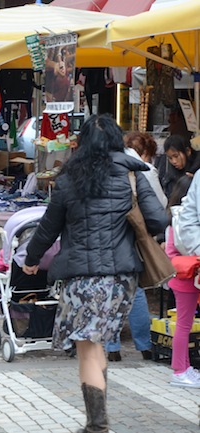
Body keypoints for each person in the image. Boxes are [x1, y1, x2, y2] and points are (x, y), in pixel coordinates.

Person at [22, 114, 167, 433]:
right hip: (121, 276)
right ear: (117, 141)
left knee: (89, 345)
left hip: (82, 277)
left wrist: (31, 258)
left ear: (82, 143)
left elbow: (48, 228)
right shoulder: (133, 175)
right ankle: (97, 421)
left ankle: (97, 425)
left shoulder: (69, 177)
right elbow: (158, 221)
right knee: (97, 341)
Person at [106, 131, 168, 362]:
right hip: (129, 234)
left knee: (109, 293)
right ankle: (144, 346)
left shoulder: (93, 169)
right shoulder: (137, 170)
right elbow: (157, 209)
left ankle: (112, 347)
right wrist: (156, 233)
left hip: (101, 240)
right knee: (136, 291)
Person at [164, 175, 200, 387]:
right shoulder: (180, 222)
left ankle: (184, 368)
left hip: (184, 278)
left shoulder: (175, 221)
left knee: (184, 325)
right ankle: (179, 370)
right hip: (186, 278)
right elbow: (171, 252)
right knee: (184, 325)